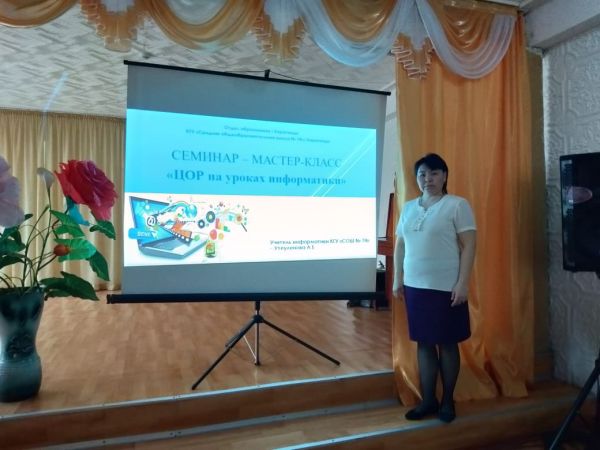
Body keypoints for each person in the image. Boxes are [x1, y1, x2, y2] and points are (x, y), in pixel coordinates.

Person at [392, 153, 476, 423]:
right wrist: (397, 278)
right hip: (415, 287)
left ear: (444, 176)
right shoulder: (408, 208)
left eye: (434, 173)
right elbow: (400, 245)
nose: (427, 179)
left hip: (446, 287)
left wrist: (462, 283)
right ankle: (428, 400)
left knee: (448, 343)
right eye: (422, 174)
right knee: (424, 343)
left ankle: (448, 400)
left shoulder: (457, 205)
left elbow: (469, 246)